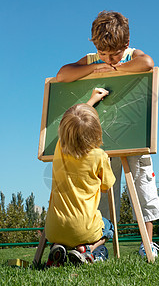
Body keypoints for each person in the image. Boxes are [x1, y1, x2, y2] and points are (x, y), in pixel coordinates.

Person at [56, 10, 159, 258]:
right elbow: (63, 74)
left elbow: (147, 63)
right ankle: (99, 246)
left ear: (125, 44)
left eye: (113, 53)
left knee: (143, 189)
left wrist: (119, 66)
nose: (108, 58)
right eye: (103, 53)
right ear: (95, 46)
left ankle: (147, 244)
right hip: (102, 142)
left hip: (135, 136)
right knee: (104, 194)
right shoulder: (93, 59)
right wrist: (95, 68)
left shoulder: (131, 55)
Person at [45, 88, 116, 266]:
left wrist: (90, 102)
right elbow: (107, 186)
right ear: (96, 131)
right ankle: (85, 251)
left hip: (52, 230)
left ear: (64, 131)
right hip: (85, 230)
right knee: (109, 228)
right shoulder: (99, 156)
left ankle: (58, 247)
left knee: (64, 232)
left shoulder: (59, 148)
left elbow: (67, 119)